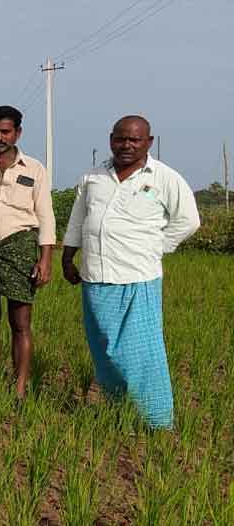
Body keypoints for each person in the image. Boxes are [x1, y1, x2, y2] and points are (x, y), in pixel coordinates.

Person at [63, 115, 199, 429]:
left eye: (134, 140)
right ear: (111, 139)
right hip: (95, 276)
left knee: (141, 353)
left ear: (148, 142)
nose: (126, 145)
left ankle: (156, 421)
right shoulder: (93, 177)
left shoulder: (163, 177)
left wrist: (158, 245)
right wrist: (68, 257)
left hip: (138, 278)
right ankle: (118, 408)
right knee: (104, 348)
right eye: (120, 139)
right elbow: (77, 220)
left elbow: (189, 221)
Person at [0, 105, 56, 398]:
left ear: (18, 133)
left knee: (20, 325)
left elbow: (46, 216)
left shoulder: (34, 169)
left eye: (5, 131)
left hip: (19, 249)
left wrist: (45, 259)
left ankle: (19, 389)